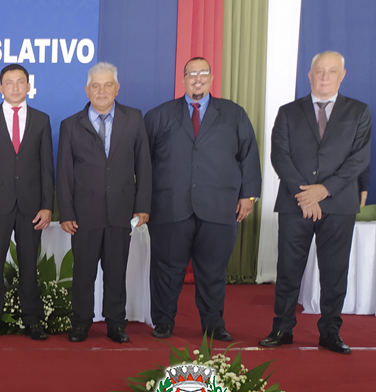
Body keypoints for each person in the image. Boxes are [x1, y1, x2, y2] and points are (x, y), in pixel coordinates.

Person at [260, 51, 371, 354]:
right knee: (288, 270)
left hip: (338, 204)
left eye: (331, 71)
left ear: (342, 75)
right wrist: (305, 193)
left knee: (334, 272)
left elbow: (359, 159)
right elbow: (279, 156)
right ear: (309, 75)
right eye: (319, 71)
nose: (324, 76)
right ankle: (281, 329)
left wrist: (323, 190)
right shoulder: (288, 112)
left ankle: (330, 332)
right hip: (295, 203)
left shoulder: (358, 112)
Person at [143, 57, 260, 342]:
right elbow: (142, 164)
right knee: (166, 270)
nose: (197, 78)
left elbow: (249, 155)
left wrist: (249, 195)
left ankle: (213, 323)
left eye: (203, 73)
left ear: (211, 77)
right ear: (183, 79)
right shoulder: (158, 115)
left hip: (219, 208)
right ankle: (163, 322)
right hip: (169, 208)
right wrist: (142, 205)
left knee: (213, 271)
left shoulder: (234, 114)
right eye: (191, 73)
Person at [56, 62, 151, 344]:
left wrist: (143, 204)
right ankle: (81, 323)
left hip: (121, 212)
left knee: (116, 272)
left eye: (107, 85)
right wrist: (66, 212)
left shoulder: (134, 118)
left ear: (117, 88)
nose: (101, 91)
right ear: (87, 90)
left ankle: (115, 324)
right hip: (83, 215)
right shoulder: (70, 125)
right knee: (83, 273)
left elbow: (144, 165)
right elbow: (64, 172)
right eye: (95, 86)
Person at [0, 64, 54, 341]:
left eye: (21, 82)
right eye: (9, 82)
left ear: (29, 86)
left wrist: (47, 206)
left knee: (29, 264)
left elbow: (47, 167)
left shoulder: (42, 120)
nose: (16, 87)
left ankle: (33, 321)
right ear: (0, 87)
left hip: (32, 206)